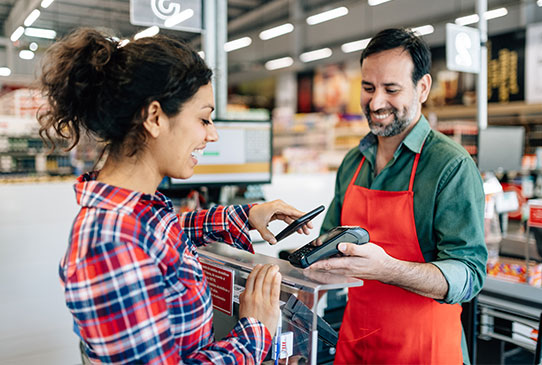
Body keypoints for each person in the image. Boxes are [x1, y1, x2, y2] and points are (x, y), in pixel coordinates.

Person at [39, 28, 311, 364]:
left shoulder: (135, 208)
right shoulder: (111, 241)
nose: (212, 135)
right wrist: (256, 330)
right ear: (155, 117)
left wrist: (244, 216)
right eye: (204, 118)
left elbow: (165, 232)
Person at [308, 28, 487, 364]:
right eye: (368, 88)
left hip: (425, 349)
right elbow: (330, 239)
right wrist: (311, 259)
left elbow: (469, 274)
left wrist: (389, 270)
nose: (376, 103)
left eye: (391, 89)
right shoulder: (353, 162)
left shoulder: (450, 166)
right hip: (357, 342)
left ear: (423, 88)